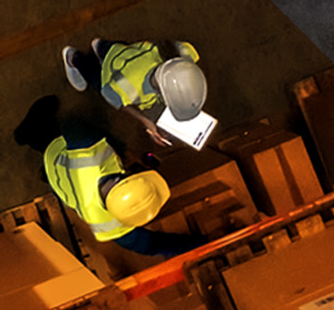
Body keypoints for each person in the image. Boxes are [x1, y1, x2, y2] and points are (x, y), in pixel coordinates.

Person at [13, 96, 205, 257]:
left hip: (57, 156)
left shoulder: (87, 150)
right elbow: (152, 246)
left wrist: (123, 150)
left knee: (53, 136)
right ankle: (40, 159)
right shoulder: (111, 226)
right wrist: (202, 244)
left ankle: (30, 132)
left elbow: (71, 124)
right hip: (61, 188)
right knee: (58, 172)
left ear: (126, 177)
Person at [61, 38, 208, 147]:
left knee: (115, 50)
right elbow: (117, 101)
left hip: (131, 54)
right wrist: (145, 120)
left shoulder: (184, 54)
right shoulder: (126, 88)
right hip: (109, 74)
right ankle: (74, 58)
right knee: (95, 79)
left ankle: (101, 46)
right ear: (161, 93)